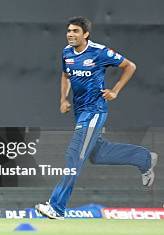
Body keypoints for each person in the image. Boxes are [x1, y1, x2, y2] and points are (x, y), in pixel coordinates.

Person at [35, 16, 158, 220]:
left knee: (74, 156)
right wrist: (63, 99)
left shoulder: (99, 52)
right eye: (69, 31)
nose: (70, 35)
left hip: (94, 112)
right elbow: (65, 75)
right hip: (80, 112)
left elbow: (130, 66)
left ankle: (56, 207)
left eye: (75, 31)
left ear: (86, 34)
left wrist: (116, 90)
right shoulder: (66, 52)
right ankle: (144, 158)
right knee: (97, 154)